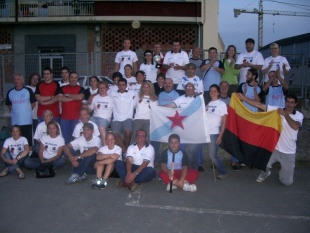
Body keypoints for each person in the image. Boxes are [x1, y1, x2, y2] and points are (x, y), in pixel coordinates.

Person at [237, 93, 303, 186]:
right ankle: (265, 173)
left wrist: (285, 115)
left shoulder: (299, 115)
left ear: (295, 104)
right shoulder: (278, 110)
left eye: (292, 102)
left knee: (287, 182)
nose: (289, 104)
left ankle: (282, 174)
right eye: (287, 101)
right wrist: (244, 98)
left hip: (288, 151)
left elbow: (295, 126)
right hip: (274, 147)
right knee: (264, 163)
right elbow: (259, 105)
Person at [165, 83, 202, 170]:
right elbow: (170, 106)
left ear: (194, 89)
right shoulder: (181, 98)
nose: (189, 88)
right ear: (185, 89)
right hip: (182, 128)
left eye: (191, 87)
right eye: (187, 87)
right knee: (182, 148)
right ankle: (183, 166)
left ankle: (195, 166)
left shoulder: (199, 99)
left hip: (195, 128)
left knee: (194, 149)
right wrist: (157, 107)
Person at [5, 73, 36, 149]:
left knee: (28, 141)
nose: (16, 81)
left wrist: (25, 112)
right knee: (16, 141)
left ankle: (29, 155)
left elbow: (33, 104)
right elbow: (9, 105)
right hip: (15, 122)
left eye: (18, 79)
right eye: (15, 79)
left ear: (22, 81)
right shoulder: (10, 92)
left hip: (26, 121)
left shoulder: (28, 91)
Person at [205, 84, 228, 179]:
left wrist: (220, 136)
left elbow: (224, 122)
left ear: (218, 92)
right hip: (205, 132)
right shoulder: (208, 103)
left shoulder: (221, 104)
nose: (212, 93)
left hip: (214, 133)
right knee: (209, 154)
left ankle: (223, 172)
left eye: (214, 91)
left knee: (212, 155)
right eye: (211, 91)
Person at [110, 78, 136, 154]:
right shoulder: (112, 93)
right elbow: (101, 90)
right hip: (116, 119)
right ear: (117, 86)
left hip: (128, 118)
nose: (121, 87)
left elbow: (143, 92)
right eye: (120, 85)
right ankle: (125, 152)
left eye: (123, 85)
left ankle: (124, 150)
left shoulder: (132, 93)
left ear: (126, 86)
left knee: (128, 132)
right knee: (115, 134)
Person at [58, 72, 85, 144]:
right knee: (65, 138)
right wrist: (75, 97)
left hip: (76, 118)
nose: (73, 79)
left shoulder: (81, 88)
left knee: (76, 138)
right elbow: (60, 98)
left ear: (77, 79)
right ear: (69, 78)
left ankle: (75, 154)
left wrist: (67, 95)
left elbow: (80, 97)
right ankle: (66, 154)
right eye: (72, 77)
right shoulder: (62, 88)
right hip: (64, 118)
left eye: (75, 77)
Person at [219, 81, 239, 171]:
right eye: (222, 86)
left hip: (229, 125)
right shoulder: (215, 99)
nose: (224, 87)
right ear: (219, 87)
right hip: (218, 125)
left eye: (226, 86)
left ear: (228, 88)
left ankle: (234, 161)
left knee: (233, 142)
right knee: (214, 142)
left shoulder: (233, 100)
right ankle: (216, 162)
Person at [89, 81, 114, 145]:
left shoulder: (111, 99)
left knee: (101, 128)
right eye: (99, 88)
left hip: (105, 119)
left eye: (103, 88)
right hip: (94, 118)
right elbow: (90, 109)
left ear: (107, 89)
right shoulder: (95, 97)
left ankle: (104, 147)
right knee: (86, 126)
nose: (101, 89)